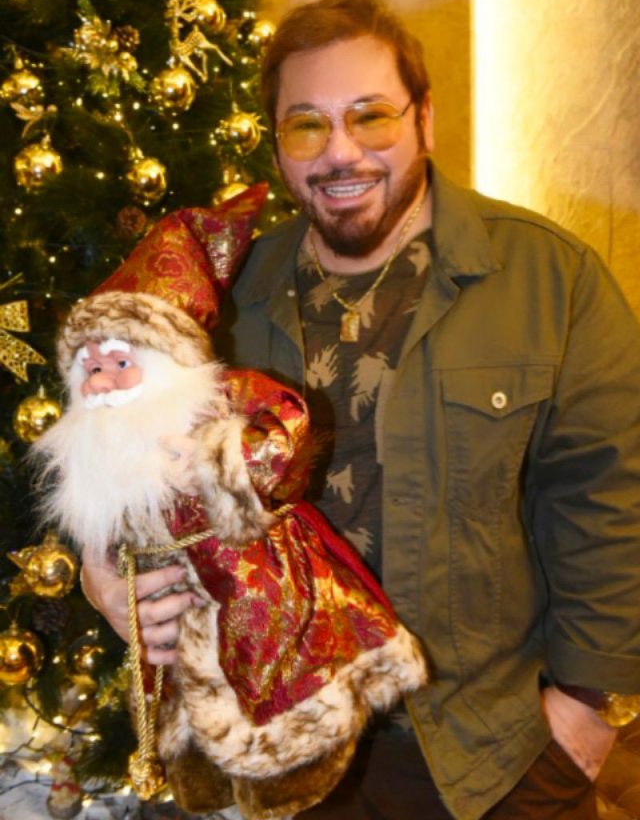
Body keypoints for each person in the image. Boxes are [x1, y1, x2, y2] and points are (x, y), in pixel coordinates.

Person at [81, 0, 640, 820]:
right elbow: (125, 457)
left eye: (370, 116)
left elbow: (618, 502)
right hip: (284, 752)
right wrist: (104, 575)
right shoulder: (224, 295)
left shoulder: (549, 277)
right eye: (306, 124)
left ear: (423, 120)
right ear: (277, 143)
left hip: (488, 757)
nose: (341, 151)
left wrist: (584, 714)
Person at [34, 190, 426, 818]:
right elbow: (102, 532)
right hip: (175, 599)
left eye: (120, 361)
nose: (102, 380)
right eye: (90, 367)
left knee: (272, 672)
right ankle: (201, 769)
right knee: (184, 683)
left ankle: (289, 764)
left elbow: (288, 424)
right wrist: (97, 562)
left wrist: (221, 461)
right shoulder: (107, 445)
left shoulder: (219, 399)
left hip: (258, 583)